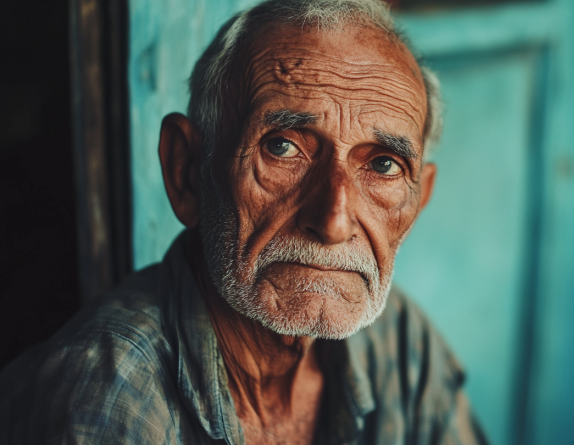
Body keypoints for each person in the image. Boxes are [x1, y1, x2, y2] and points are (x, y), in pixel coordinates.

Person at [0, 0, 489, 444]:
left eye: (383, 165)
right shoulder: (106, 402)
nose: (335, 222)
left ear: (417, 201)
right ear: (187, 172)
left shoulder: (399, 342)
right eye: (282, 147)